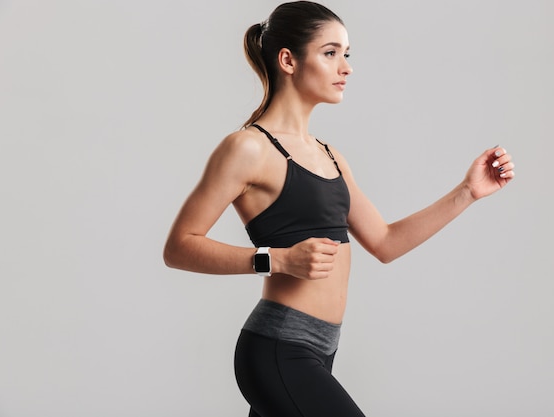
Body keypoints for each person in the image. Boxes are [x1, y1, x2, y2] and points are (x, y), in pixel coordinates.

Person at [163, 1, 515, 416]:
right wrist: (275, 260)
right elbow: (179, 247)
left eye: (346, 54)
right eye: (330, 53)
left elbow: (385, 242)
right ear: (288, 60)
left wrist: (467, 192)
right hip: (278, 349)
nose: (345, 67)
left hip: (320, 351)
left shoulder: (330, 156)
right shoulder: (248, 148)